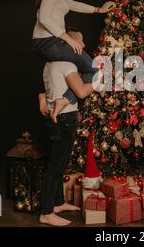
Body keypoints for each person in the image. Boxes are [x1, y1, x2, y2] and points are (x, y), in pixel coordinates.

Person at [33, 0, 115, 122]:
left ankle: (48, 96)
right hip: (49, 43)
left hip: (49, 43)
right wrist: (68, 39)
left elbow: (75, 5)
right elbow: (43, 18)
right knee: (94, 71)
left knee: (83, 70)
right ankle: (63, 100)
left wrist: (99, 10)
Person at [38, 32, 95, 226]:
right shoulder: (68, 65)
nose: (84, 42)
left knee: (58, 164)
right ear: (69, 43)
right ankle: (46, 212)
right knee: (55, 167)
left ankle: (57, 203)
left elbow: (46, 91)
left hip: (55, 119)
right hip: (65, 119)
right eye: (80, 39)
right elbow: (81, 92)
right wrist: (96, 83)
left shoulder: (49, 64)